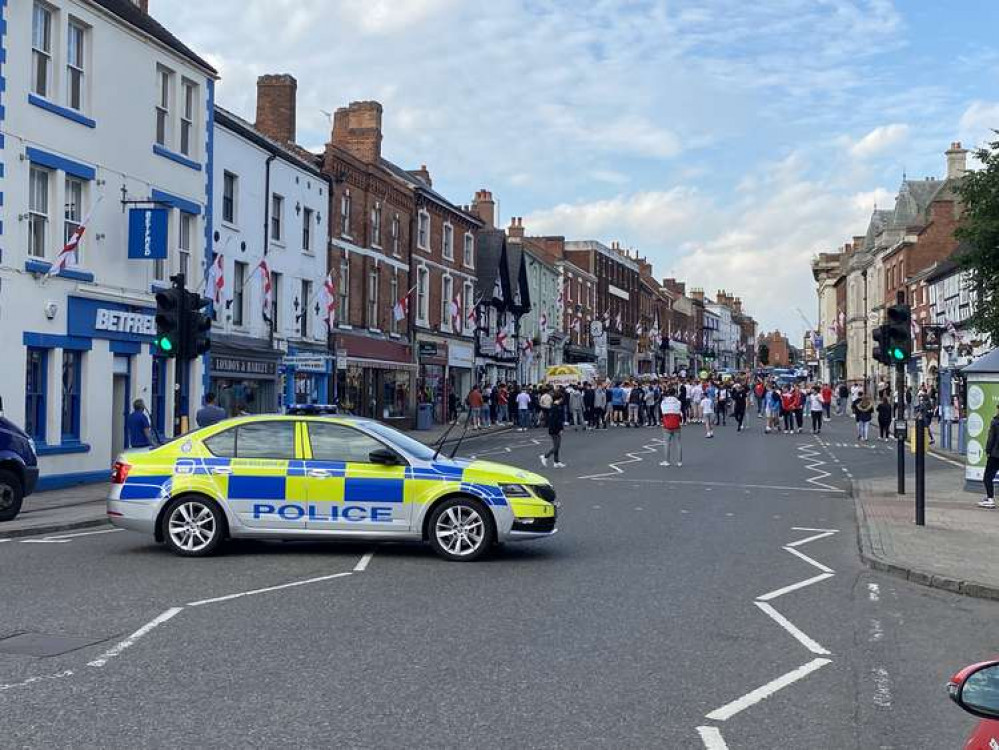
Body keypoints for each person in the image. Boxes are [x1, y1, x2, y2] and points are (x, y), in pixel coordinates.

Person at [979, 403, 999, 509]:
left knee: (987, 477)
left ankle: (990, 499)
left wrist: (987, 450)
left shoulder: (995, 422)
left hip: (995, 454)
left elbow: (991, 439)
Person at [539, 392, 565, 468]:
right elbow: (556, 420)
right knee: (557, 446)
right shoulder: (555, 407)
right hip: (554, 429)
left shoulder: (554, 406)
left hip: (553, 428)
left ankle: (556, 462)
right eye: (562, 398)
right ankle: (545, 456)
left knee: (556, 445)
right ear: (560, 398)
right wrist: (560, 429)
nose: (562, 400)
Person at [659, 387, 683, 467]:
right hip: (676, 423)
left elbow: (663, 411)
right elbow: (679, 410)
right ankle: (679, 461)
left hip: (667, 423)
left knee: (666, 443)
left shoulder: (663, 402)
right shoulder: (678, 402)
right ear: (675, 393)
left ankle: (667, 461)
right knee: (678, 443)